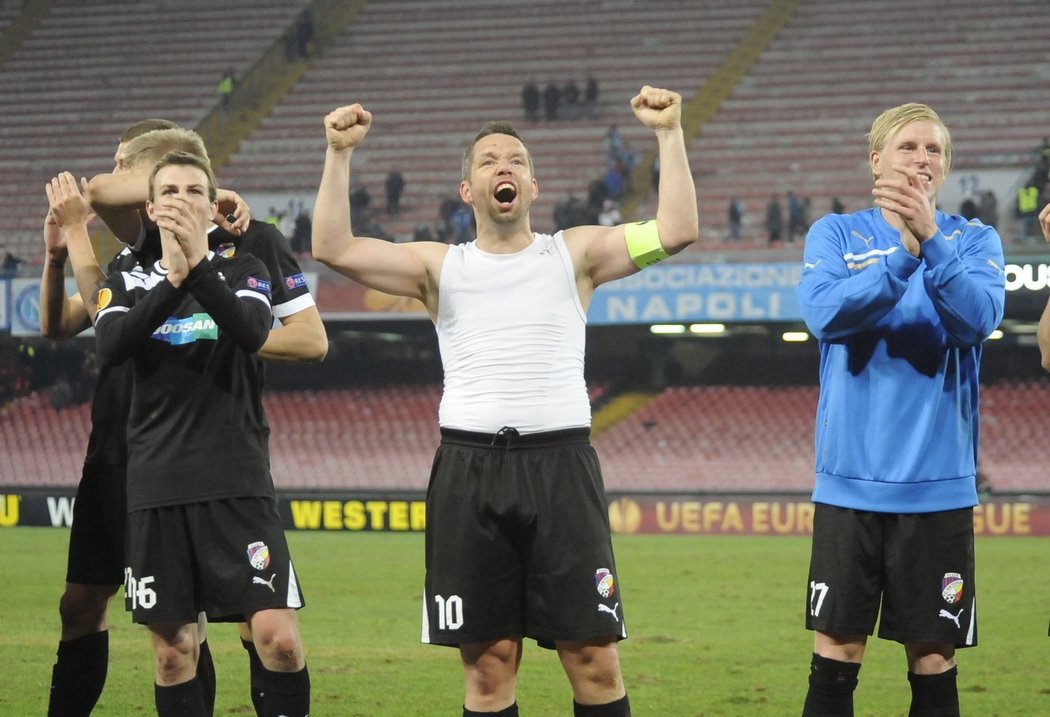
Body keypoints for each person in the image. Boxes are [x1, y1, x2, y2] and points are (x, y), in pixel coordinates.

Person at [311, 85, 697, 717]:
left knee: (593, 660)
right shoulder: (440, 267)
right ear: (469, 190)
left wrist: (669, 134)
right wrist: (338, 153)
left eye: (516, 160)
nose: (504, 168)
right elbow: (333, 248)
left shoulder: (572, 256)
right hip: (470, 471)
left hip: (561, 468)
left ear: (533, 187)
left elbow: (679, 229)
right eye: (489, 161)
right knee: (489, 669)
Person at [42, 122, 326, 717]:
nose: (106, 173)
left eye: (123, 163)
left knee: (258, 630)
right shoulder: (126, 265)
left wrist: (208, 319)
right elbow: (91, 327)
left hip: (220, 451)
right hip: (128, 454)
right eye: (164, 190)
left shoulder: (248, 246)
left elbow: (297, 339)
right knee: (166, 635)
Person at [796, 102, 1005, 717]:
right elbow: (824, 315)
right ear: (876, 161)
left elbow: (978, 320)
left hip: (937, 492)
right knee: (834, 657)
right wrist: (903, 255)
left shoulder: (973, 240)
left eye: (933, 150)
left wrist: (932, 242)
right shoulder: (835, 234)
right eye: (908, 147)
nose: (921, 158)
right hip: (849, 487)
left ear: (945, 166)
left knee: (934, 662)